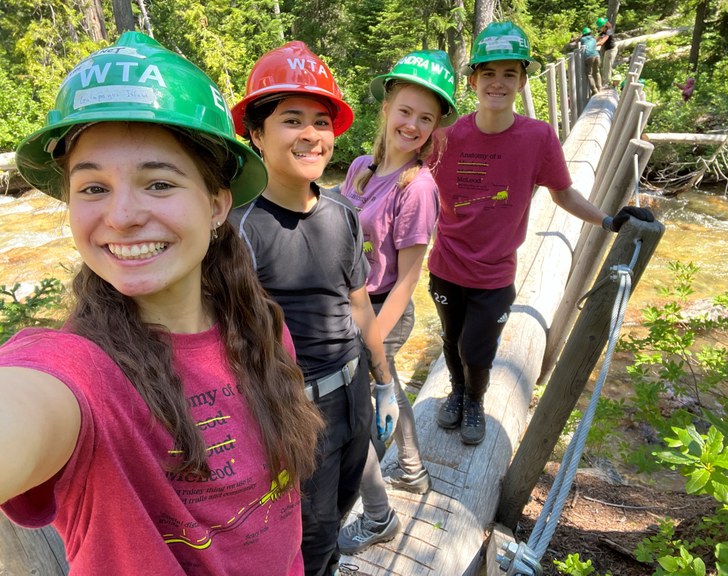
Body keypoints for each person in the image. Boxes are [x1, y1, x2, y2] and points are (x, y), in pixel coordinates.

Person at [0, 32, 325, 575]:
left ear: (217, 204)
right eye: (93, 188)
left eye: (158, 183)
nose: (122, 216)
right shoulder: (82, 374)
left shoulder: (259, 327)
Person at [429, 21, 654, 446]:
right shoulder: (445, 138)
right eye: (489, 73)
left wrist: (608, 220)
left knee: (477, 348)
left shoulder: (537, 137)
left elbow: (563, 194)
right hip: (445, 267)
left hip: (494, 274)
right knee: (451, 338)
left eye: (509, 73)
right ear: (473, 80)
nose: (498, 83)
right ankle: (456, 392)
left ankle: (474, 399)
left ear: (522, 81)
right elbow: (406, 177)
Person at [228, 41, 398, 576]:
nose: (311, 134)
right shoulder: (237, 230)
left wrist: (384, 382)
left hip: (353, 389)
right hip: (294, 408)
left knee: (342, 505)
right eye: (292, 120)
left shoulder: (342, 213)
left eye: (321, 122)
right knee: (310, 532)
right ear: (256, 134)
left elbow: (359, 307)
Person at [335, 49, 458, 555]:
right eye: (405, 111)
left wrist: (372, 342)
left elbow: (408, 279)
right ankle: (411, 469)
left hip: (383, 308)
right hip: (349, 304)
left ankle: (377, 514)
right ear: (386, 107)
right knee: (384, 390)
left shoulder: (419, 187)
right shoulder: (360, 168)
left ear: (435, 127)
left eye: (425, 118)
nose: (412, 125)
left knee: (354, 408)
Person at [579, 27, 602, 95]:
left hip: (589, 57)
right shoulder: (593, 39)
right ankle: (599, 87)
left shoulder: (582, 39)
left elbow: (580, 44)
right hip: (597, 55)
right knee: (597, 72)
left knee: (589, 74)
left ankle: (594, 90)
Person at [596, 17, 618, 88]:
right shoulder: (603, 32)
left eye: (600, 27)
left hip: (611, 50)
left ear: (604, 26)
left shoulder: (609, 31)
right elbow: (597, 39)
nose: (600, 29)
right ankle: (605, 82)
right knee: (605, 66)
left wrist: (594, 45)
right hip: (607, 50)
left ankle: (606, 84)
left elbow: (602, 42)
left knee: (607, 67)